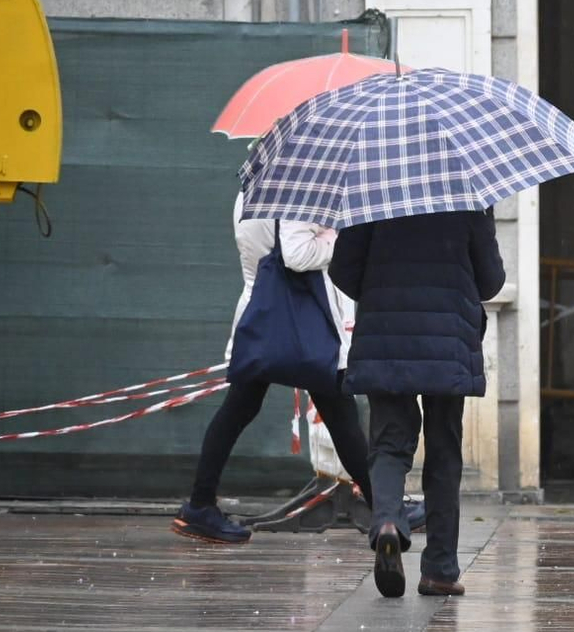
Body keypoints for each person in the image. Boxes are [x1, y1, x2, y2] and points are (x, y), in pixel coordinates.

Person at [172, 193, 423, 543]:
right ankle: (387, 508)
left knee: (245, 410)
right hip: (300, 322)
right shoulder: (295, 192)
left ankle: (200, 505)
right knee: (337, 413)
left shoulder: (253, 187)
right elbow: (296, 254)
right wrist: (340, 239)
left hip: (266, 315)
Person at [330, 210, 506, 598]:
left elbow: (342, 270)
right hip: (448, 340)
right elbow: (491, 281)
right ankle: (440, 569)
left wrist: (383, 287)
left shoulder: (373, 188)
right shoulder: (467, 194)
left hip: (386, 335)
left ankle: (389, 522)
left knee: (390, 442)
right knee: (444, 450)